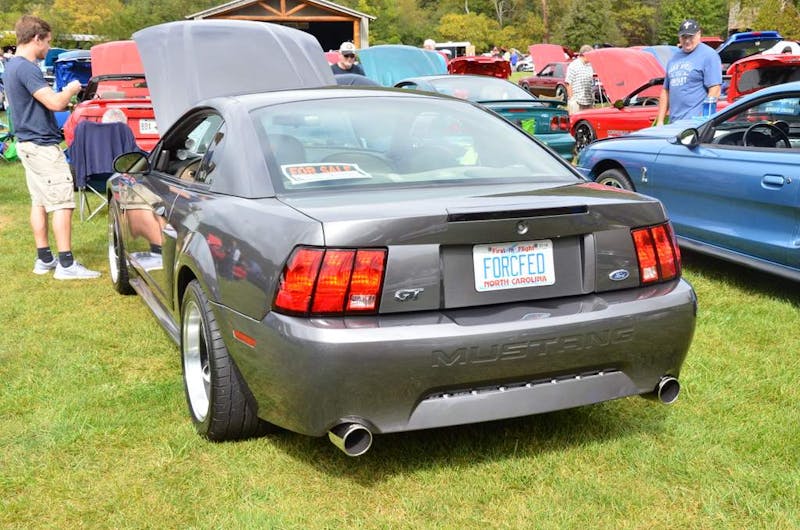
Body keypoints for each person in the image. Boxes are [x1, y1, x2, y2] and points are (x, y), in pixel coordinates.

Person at [4, 15, 100, 279]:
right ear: (36, 38)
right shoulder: (26, 68)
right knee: (61, 203)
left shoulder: (12, 66)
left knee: (39, 202)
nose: (48, 48)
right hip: (41, 146)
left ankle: (44, 258)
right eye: (47, 42)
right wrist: (69, 89)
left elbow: (36, 103)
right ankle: (67, 265)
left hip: (26, 143)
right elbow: (54, 104)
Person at [656, 19, 722, 125]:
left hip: (695, 124)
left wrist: (703, 121)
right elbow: (665, 91)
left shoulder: (709, 55)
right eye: (684, 37)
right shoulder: (674, 58)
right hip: (674, 124)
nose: (687, 41)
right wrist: (660, 121)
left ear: (699, 35)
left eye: (690, 36)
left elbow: (715, 89)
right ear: (679, 37)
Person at [565, 45, 594, 114]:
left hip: (588, 101)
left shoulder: (590, 66)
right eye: (591, 55)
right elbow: (568, 83)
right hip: (577, 102)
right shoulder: (574, 65)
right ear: (585, 54)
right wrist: (572, 100)